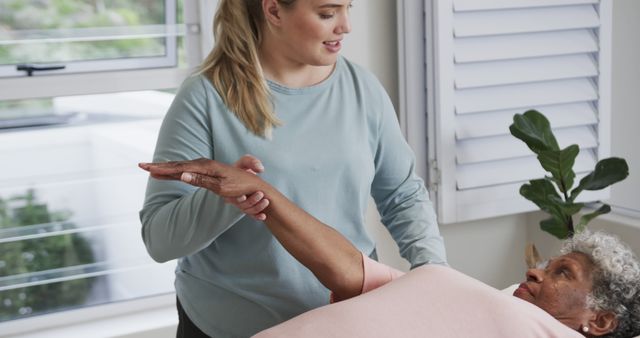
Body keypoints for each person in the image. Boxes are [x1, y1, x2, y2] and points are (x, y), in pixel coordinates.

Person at [138, 0, 446, 336]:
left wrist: (434, 272)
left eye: (348, 9)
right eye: (327, 14)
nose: (345, 26)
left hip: (344, 319)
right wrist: (226, 197)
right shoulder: (206, 96)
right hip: (232, 327)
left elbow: (402, 194)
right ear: (273, 11)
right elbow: (159, 240)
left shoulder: (362, 89)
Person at [140, 158, 640, 338]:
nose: (536, 273)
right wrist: (261, 193)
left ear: (598, 322)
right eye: (548, 265)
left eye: (563, 275)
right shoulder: (482, 305)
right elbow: (349, 271)